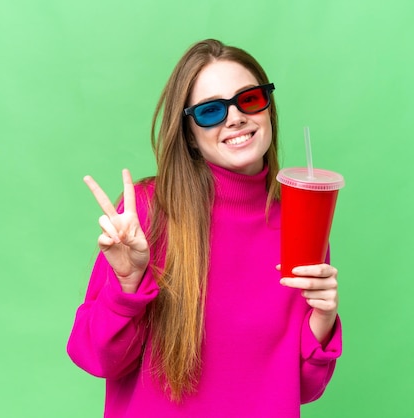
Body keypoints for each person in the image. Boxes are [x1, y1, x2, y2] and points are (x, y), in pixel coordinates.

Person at [67, 38, 342, 417]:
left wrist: (322, 321)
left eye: (248, 99)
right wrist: (127, 286)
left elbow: (303, 389)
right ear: (191, 136)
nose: (235, 118)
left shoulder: (301, 222)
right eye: (211, 111)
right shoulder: (148, 211)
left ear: (268, 109)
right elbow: (96, 359)